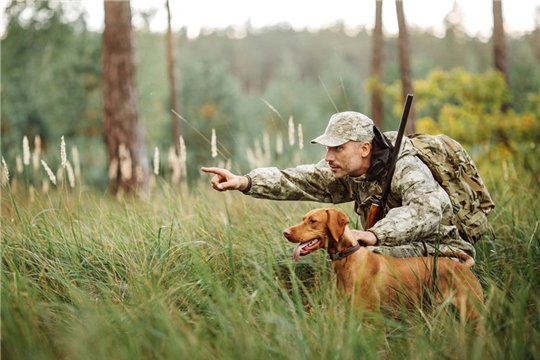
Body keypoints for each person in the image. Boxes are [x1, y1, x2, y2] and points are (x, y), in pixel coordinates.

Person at [201, 111, 476, 259]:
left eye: (337, 148)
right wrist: (245, 181)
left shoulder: (405, 166)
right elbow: (297, 179)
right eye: (327, 148)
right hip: (394, 248)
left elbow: (430, 209)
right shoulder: (346, 170)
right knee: (357, 255)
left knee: (367, 255)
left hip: (443, 249)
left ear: (365, 148)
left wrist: (375, 235)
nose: (328, 157)